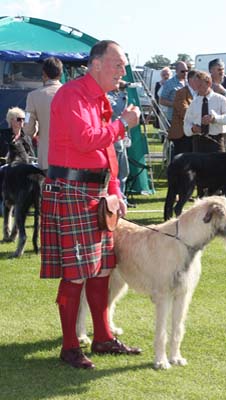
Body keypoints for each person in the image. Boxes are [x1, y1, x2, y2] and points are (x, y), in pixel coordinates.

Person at [40, 40, 141, 369]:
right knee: (76, 272)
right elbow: (86, 140)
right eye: (118, 65)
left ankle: (102, 338)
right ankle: (70, 347)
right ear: (96, 65)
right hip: (72, 189)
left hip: (95, 193)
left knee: (102, 268)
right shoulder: (73, 94)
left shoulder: (98, 98)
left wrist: (115, 190)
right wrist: (123, 123)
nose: (122, 72)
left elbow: (106, 151)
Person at [23, 57, 63, 173]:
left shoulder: (33, 96)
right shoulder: (72, 93)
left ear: (44, 73)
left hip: (47, 157)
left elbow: (27, 124)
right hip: (71, 159)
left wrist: (32, 130)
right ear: (60, 73)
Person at [183, 71, 226, 154]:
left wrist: (215, 119)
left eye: (200, 85)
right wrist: (192, 129)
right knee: (198, 167)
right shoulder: (194, 103)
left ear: (209, 83)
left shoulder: (221, 100)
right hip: (198, 142)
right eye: (196, 86)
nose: (197, 89)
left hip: (216, 141)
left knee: (218, 167)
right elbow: (186, 124)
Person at [107, 80, 131, 205]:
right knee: (114, 173)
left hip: (120, 138)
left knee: (124, 171)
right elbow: (117, 111)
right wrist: (122, 93)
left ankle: (122, 197)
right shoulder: (107, 95)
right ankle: (115, 199)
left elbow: (124, 116)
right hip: (111, 140)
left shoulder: (118, 95)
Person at [168, 69, 198, 155]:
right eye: (197, 79)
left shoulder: (199, 93)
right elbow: (184, 111)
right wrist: (199, 119)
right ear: (191, 80)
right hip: (181, 134)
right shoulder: (181, 92)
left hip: (194, 133)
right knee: (181, 160)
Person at [154, 66, 172, 135]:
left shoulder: (173, 84)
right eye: (163, 75)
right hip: (162, 110)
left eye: (167, 74)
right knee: (163, 129)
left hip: (171, 110)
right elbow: (156, 96)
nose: (165, 76)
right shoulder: (158, 84)